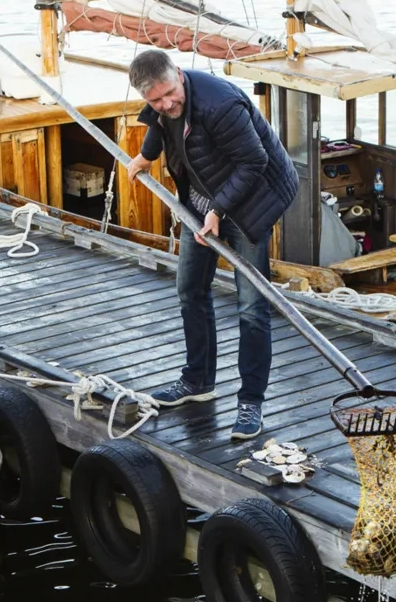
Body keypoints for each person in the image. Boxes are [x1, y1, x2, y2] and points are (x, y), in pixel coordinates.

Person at [126, 49, 298, 440]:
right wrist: (145, 157)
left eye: (170, 93)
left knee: (252, 307)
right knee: (189, 289)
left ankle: (250, 402)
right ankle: (198, 382)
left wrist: (219, 212)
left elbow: (254, 162)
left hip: (252, 200)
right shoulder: (162, 107)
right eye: (156, 100)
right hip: (204, 201)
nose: (167, 104)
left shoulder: (221, 105)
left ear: (179, 77)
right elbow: (161, 123)